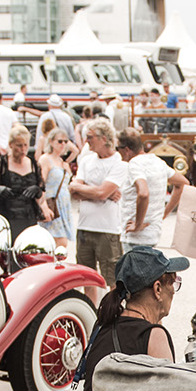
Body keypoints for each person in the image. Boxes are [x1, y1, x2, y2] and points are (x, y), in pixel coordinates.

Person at [80, 247, 186, 391]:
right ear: (157, 289)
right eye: (172, 283)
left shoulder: (102, 327)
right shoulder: (153, 336)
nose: (174, 291)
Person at [68, 117, 130, 284]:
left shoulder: (120, 164)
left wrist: (93, 190)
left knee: (111, 277)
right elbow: (73, 190)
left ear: (104, 138)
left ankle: (111, 310)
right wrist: (102, 192)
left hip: (107, 229)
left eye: (90, 137)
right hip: (84, 225)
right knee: (85, 277)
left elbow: (95, 191)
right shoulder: (86, 160)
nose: (87, 141)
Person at [119, 129, 176, 253]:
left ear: (127, 150)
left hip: (135, 238)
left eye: (118, 148)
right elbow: (182, 183)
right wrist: (164, 214)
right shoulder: (158, 161)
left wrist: (138, 225)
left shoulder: (134, 164)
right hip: (152, 233)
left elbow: (143, 193)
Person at [0, 125, 45, 234]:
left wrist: (38, 193)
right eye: (19, 145)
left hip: (28, 219)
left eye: (26, 145)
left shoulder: (34, 164)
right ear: (11, 145)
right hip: (6, 219)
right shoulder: (0, 164)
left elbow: (42, 199)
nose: (23, 149)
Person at [38, 129, 76, 256]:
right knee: (59, 242)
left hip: (64, 205)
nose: (63, 144)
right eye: (60, 141)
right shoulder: (46, 159)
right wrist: (43, 206)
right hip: (52, 204)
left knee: (61, 243)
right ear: (51, 142)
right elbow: (40, 183)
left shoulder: (62, 162)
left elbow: (76, 150)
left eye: (66, 142)